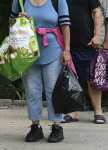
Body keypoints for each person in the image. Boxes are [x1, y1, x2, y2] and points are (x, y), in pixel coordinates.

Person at [11, 0, 71, 143]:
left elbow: (65, 26)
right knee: (32, 90)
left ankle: (57, 126)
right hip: (27, 52)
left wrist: (67, 50)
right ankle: (35, 127)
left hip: (53, 51)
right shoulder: (20, 1)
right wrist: (19, 20)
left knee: (52, 90)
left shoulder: (58, 1)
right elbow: (12, 24)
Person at [62, 0, 106, 124]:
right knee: (70, 78)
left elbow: (97, 12)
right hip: (65, 43)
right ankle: (74, 111)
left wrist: (97, 35)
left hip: (86, 42)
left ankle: (98, 111)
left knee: (91, 77)